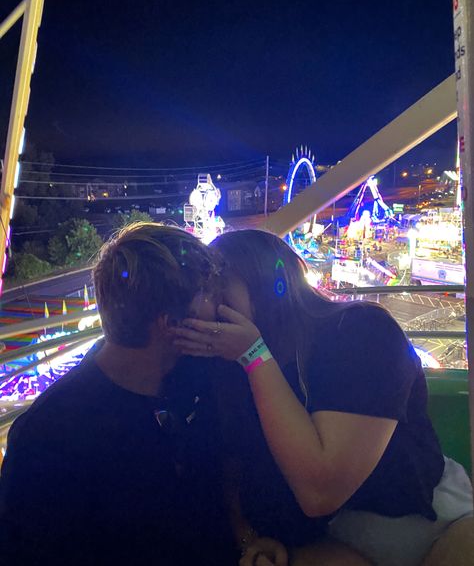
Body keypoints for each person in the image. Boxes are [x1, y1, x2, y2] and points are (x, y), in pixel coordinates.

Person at [172, 229, 474, 566]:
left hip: (429, 529)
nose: (208, 305)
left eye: (218, 287)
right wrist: (251, 540)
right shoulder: (228, 367)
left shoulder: (361, 332)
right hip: (321, 543)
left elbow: (321, 491)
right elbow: (228, 469)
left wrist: (255, 356)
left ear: (261, 279)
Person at [0, 223, 235, 566]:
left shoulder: (192, 378)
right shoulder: (48, 438)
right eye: (211, 299)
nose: (220, 312)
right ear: (172, 325)